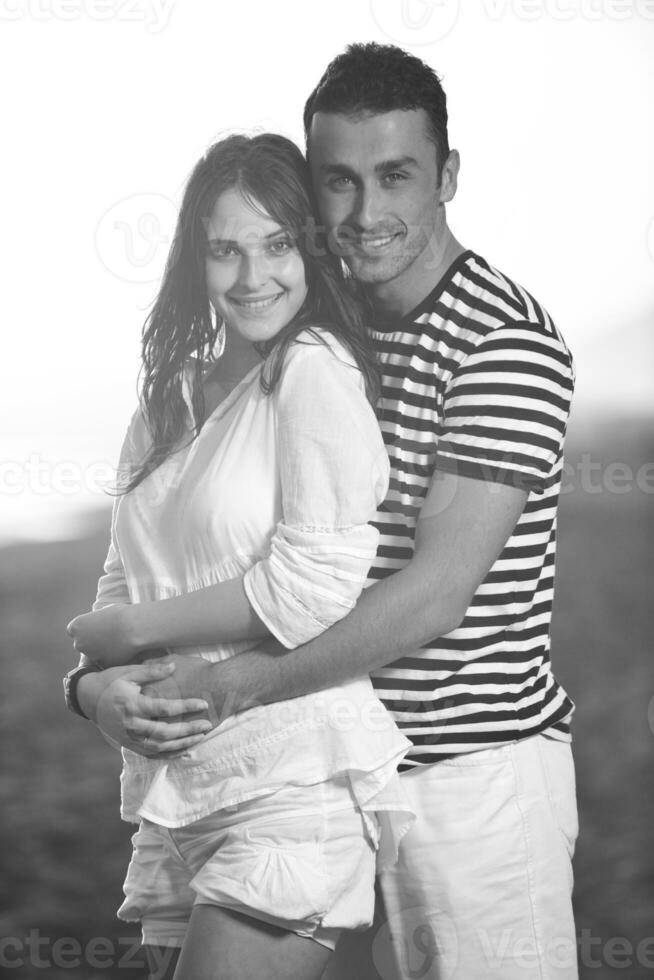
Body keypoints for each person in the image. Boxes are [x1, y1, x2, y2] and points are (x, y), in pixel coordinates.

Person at [71, 43, 579, 980]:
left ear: (449, 176)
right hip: (323, 759)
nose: (367, 212)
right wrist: (94, 684)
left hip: (464, 777)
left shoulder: (501, 342)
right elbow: (173, 551)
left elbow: (433, 597)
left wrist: (233, 687)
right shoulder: (313, 326)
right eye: (338, 183)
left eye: (396, 177)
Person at [64, 132, 414, 980]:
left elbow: (312, 586)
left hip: (286, 780)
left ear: (310, 249)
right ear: (196, 259)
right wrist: (94, 692)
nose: (254, 276)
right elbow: (123, 580)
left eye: (277, 244)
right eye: (226, 250)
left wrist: (127, 631)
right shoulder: (167, 396)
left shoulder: (313, 371)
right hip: (173, 792)